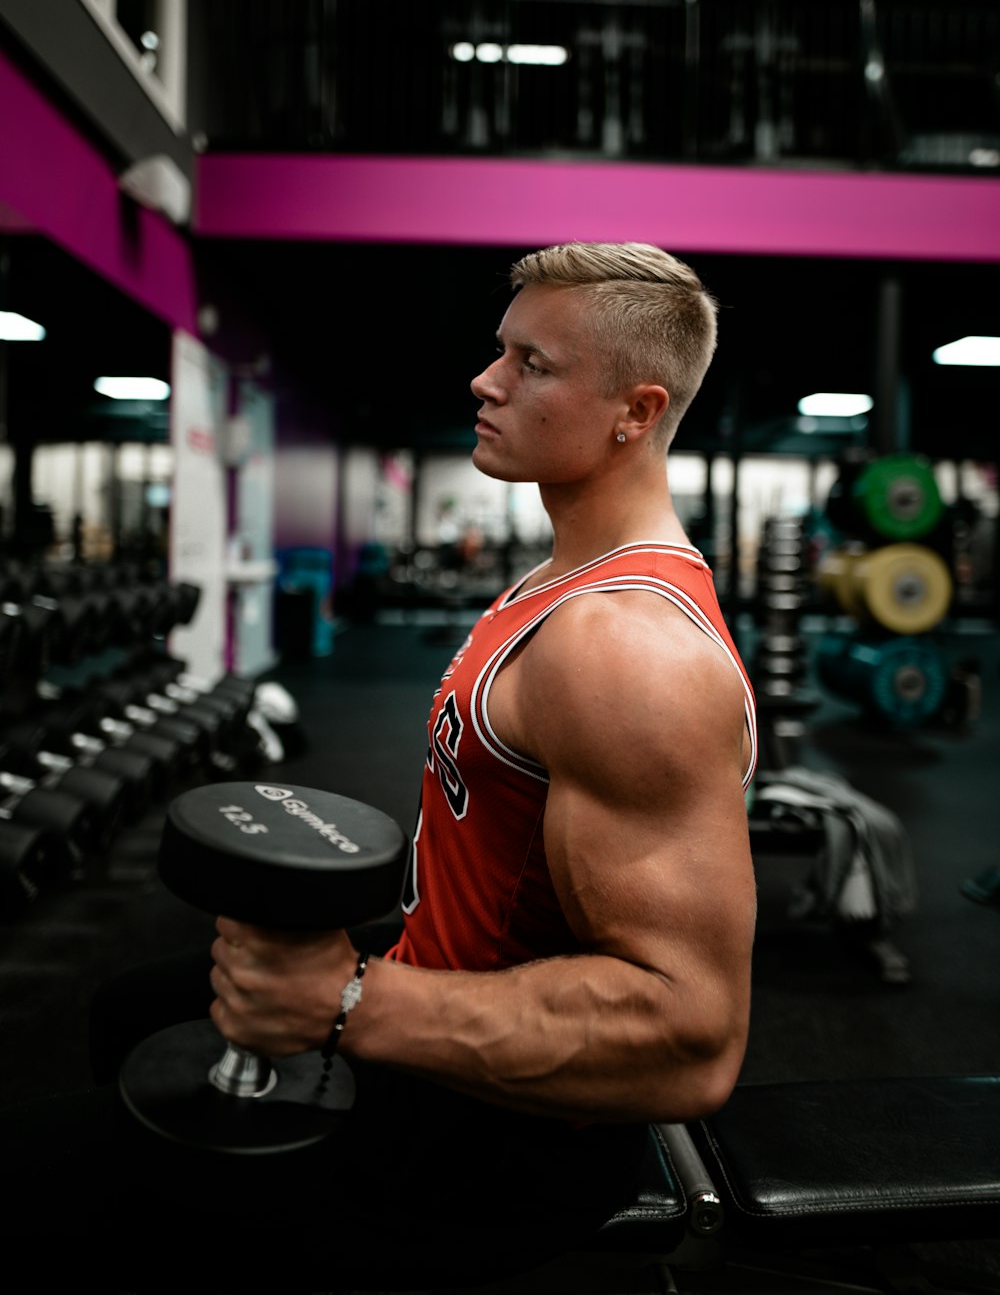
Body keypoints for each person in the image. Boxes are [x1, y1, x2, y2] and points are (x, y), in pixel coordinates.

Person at [2, 242, 757, 1293]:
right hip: (441, 985)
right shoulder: (557, 575)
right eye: (500, 349)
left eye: (531, 364)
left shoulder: (623, 650)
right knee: (129, 1008)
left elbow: (689, 1036)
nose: (484, 380)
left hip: (498, 1145)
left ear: (634, 411)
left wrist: (351, 1000)